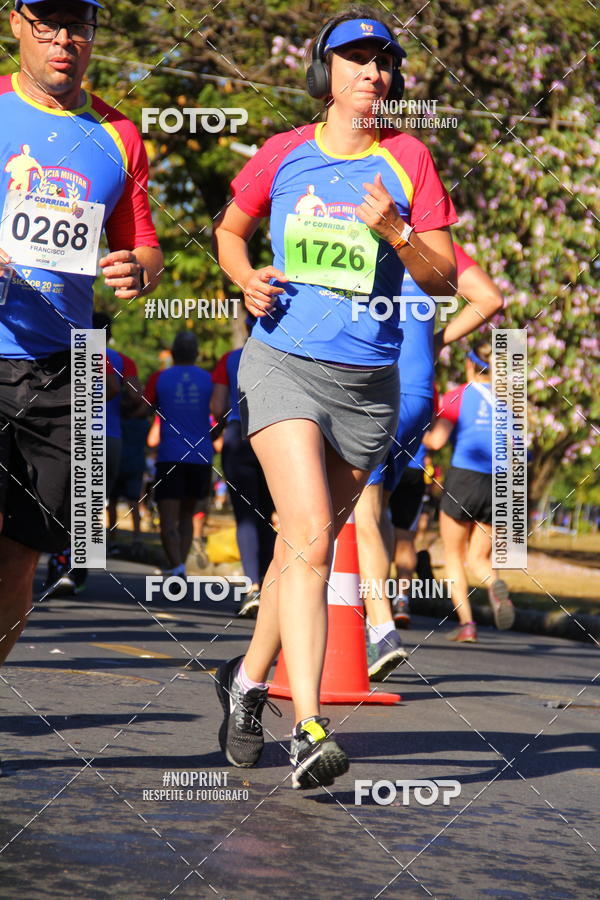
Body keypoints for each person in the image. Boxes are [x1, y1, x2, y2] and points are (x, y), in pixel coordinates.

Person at [212, 7, 458, 789]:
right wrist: (245, 278)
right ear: (326, 72)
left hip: (367, 387)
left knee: (298, 547)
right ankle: (309, 729)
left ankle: (247, 683)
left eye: (382, 61)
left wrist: (398, 233)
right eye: (355, 59)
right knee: (314, 540)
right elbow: (229, 230)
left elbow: (445, 280)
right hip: (282, 363)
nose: (372, 73)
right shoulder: (284, 153)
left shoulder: (409, 159)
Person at [0, 0, 162, 659]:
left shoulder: (118, 134)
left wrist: (139, 269)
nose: (64, 39)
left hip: (64, 366)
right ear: (16, 23)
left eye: (79, 25)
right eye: (47, 22)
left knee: (22, 553)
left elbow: (144, 244)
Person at [355, 243, 504, 680]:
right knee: (380, 510)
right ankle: (379, 609)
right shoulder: (436, 248)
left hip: (373, 387)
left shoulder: (353, 234)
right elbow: (490, 298)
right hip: (419, 395)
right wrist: (437, 339)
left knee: (361, 513)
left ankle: (380, 628)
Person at [424, 340, 515, 641]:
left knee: (453, 555)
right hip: (499, 483)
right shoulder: (508, 403)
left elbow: (436, 441)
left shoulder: (458, 396)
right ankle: (495, 590)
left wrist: (409, 429)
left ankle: (467, 625)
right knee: (479, 558)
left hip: (464, 478)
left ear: (469, 364)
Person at [211, 320, 276, 618]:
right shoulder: (283, 353)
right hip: (274, 434)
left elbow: (217, 405)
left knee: (246, 515)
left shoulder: (230, 359)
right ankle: (272, 586)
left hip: (239, 437)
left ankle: (253, 587)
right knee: (269, 514)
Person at [144, 331, 213, 576]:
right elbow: (220, 411)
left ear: (172, 353)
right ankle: (179, 566)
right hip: (200, 457)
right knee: (187, 515)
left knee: (167, 518)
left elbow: (143, 409)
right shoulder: (209, 379)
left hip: (170, 456)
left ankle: (176, 566)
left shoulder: (159, 378)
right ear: (197, 354)